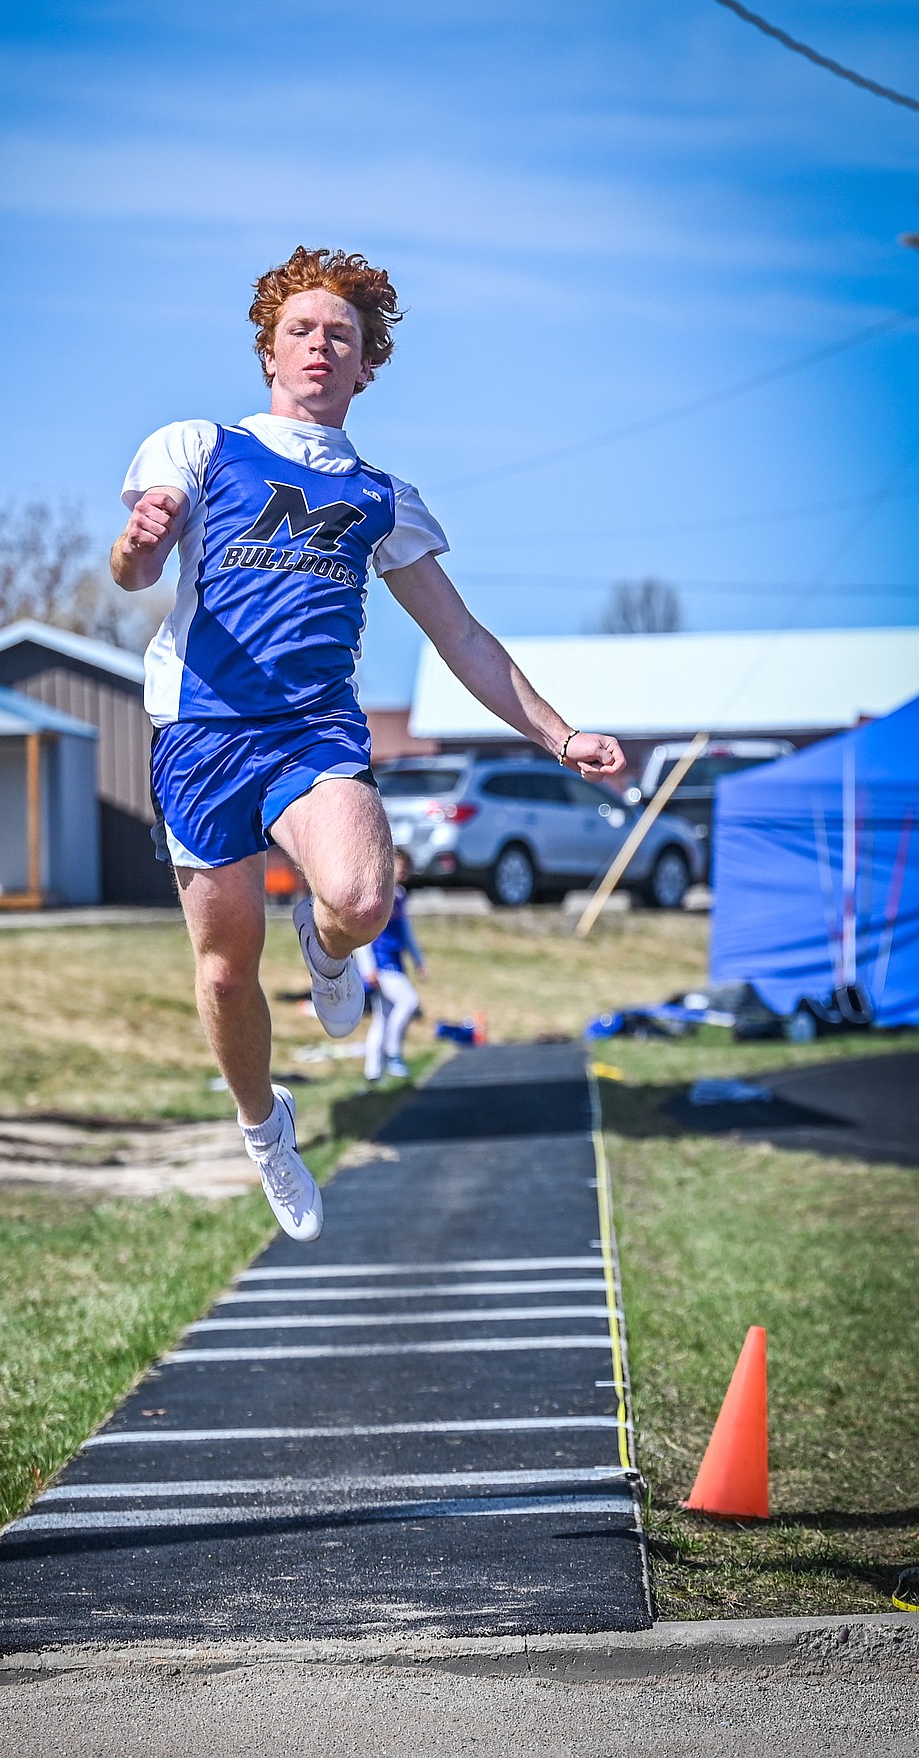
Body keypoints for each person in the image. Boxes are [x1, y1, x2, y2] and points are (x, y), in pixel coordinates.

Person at [111, 246, 625, 1244]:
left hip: (312, 727)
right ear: (270, 349)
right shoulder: (200, 447)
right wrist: (142, 537)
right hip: (202, 727)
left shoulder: (384, 498)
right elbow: (135, 571)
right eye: (300, 330)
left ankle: (328, 943)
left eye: (338, 336)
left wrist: (560, 735)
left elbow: (464, 639)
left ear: (364, 366)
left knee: (359, 898)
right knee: (223, 972)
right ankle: (267, 1130)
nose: (318, 346)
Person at [357, 849, 426, 1082]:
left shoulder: (399, 895)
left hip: (394, 961)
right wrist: (368, 969)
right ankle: (394, 1053)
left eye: (406, 866)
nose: (403, 870)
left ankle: (373, 1072)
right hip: (381, 964)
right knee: (409, 1002)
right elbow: (361, 934)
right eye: (398, 865)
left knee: (383, 1018)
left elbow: (406, 932)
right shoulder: (375, 895)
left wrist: (419, 961)